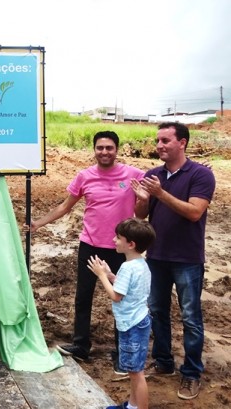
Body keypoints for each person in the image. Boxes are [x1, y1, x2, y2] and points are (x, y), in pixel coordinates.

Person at [28, 131, 144, 374]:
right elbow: (65, 206)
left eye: (109, 148)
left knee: (121, 301)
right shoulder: (84, 176)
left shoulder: (133, 174)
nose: (104, 152)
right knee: (83, 297)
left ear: (117, 149)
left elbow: (157, 188)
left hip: (119, 248)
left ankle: (121, 353)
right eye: (100, 147)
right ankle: (81, 345)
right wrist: (39, 223)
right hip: (90, 246)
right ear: (94, 149)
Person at [132, 122, 216, 400]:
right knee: (157, 311)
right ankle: (164, 363)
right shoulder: (153, 175)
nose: (159, 145)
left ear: (182, 143)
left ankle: (191, 374)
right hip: (156, 256)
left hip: (187, 258)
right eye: (158, 141)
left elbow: (194, 212)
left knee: (191, 317)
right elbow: (141, 215)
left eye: (166, 140)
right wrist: (144, 199)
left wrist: (160, 194)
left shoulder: (200, 174)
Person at [88, 217, 156, 409]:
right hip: (140, 320)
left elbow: (116, 296)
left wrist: (101, 276)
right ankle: (132, 406)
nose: (114, 241)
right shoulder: (141, 264)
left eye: (118, 238)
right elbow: (129, 287)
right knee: (135, 370)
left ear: (131, 244)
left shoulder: (127, 267)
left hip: (131, 325)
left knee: (136, 373)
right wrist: (110, 275)